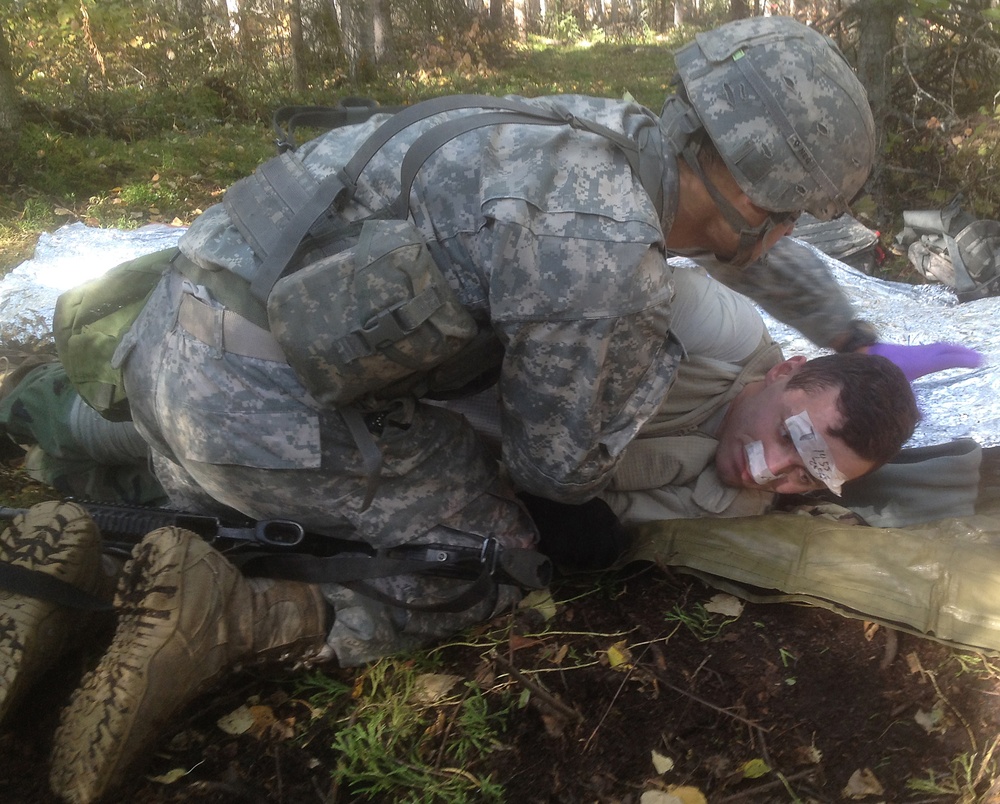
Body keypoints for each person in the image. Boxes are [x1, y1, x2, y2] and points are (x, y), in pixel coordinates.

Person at [0, 15, 974, 803]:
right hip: (249, 396)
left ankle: (92, 537)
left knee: (224, 456)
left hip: (187, 316)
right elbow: (556, 474)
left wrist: (847, 337)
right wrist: (587, 528)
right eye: (787, 213)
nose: (781, 477)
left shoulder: (606, 133)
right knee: (490, 556)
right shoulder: (608, 277)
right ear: (751, 203)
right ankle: (241, 616)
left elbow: (767, 256)